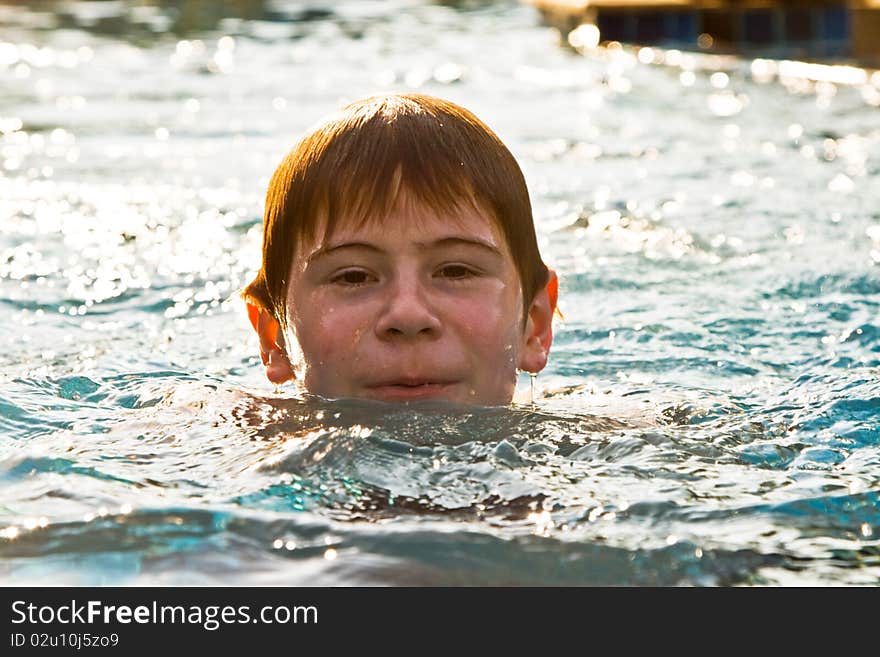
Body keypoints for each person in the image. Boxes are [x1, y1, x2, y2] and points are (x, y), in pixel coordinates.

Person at [242, 92, 558, 406]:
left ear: (534, 324)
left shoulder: (592, 443)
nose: (408, 315)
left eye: (455, 271)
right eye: (353, 277)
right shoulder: (226, 440)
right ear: (274, 337)